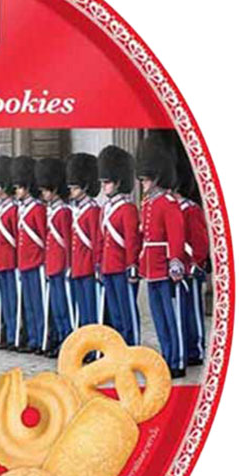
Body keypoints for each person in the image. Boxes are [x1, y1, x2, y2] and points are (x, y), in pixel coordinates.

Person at [136, 133, 187, 377]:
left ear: (156, 177)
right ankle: (167, 356)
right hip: (150, 266)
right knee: (158, 317)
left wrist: (175, 262)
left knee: (170, 315)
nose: (142, 184)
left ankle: (177, 360)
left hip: (164, 266)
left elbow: (176, 235)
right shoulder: (148, 203)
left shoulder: (168, 202)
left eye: (145, 180)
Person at [97, 145, 141, 346]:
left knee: (127, 312)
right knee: (115, 314)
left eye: (107, 182)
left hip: (123, 267)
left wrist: (132, 265)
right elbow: (101, 239)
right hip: (108, 267)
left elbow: (132, 241)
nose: (104, 186)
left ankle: (131, 347)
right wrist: (99, 263)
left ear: (118, 182)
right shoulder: (105, 208)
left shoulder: (128, 209)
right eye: (103, 183)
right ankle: (119, 347)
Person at [174, 148, 209, 366]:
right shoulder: (171, 207)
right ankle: (184, 347)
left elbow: (200, 240)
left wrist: (197, 262)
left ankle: (196, 349)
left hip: (190, 266)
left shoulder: (190, 209)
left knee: (193, 310)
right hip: (176, 266)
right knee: (181, 311)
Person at [36, 157, 73, 357]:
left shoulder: (63, 212)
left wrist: (68, 266)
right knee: (56, 308)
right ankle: (59, 338)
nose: (43, 194)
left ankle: (67, 342)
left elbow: (67, 242)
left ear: (55, 188)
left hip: (61, 266)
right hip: (51, 265)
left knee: (64, 308)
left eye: (46, 190)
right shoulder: (51, 210)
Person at [12, 156, 46, 354]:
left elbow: (43, 237)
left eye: (19, 188)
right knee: (29, 305)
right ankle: (33, 338)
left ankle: (41, 338)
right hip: (24, 262)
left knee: (38, 305)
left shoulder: (37, 209)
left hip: (35, 262)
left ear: (26, 188)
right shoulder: (22, 209)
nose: (17, 191)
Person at [66, 152, 101, 329]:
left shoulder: (92, 210)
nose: (71, 191)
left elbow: (96, 241)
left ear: (85, 186)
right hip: (78, 266)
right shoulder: (77, 210)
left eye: (75, 188)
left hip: (88, 267)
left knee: (91, 311)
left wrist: (97, 265)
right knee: (83, 311)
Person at [0, 155, 17, 349]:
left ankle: (16, 333)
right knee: (5, 301)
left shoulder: (13, 209)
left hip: (12, 261)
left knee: (14, 301)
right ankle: (9, 333)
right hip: (1, 261)